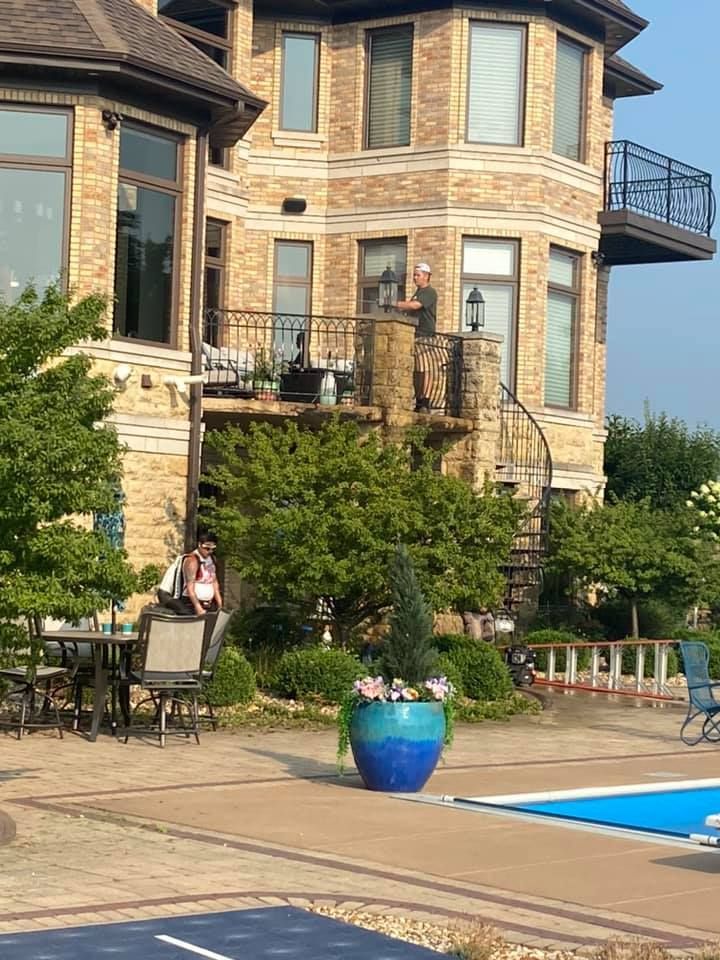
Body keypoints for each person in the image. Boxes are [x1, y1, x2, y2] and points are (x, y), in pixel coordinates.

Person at [395, 262, 438, 412]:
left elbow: (414, 306)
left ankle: (425, 400)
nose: (414, 278)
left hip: (425, 336)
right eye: (414, 275)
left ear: (426, 276)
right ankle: (418, 399)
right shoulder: (417, 293)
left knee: (425, 368)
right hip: (415, 336)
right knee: (416, 370)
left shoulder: (429, 292)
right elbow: (410, 309)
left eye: (417, 275)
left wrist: (394, 303)